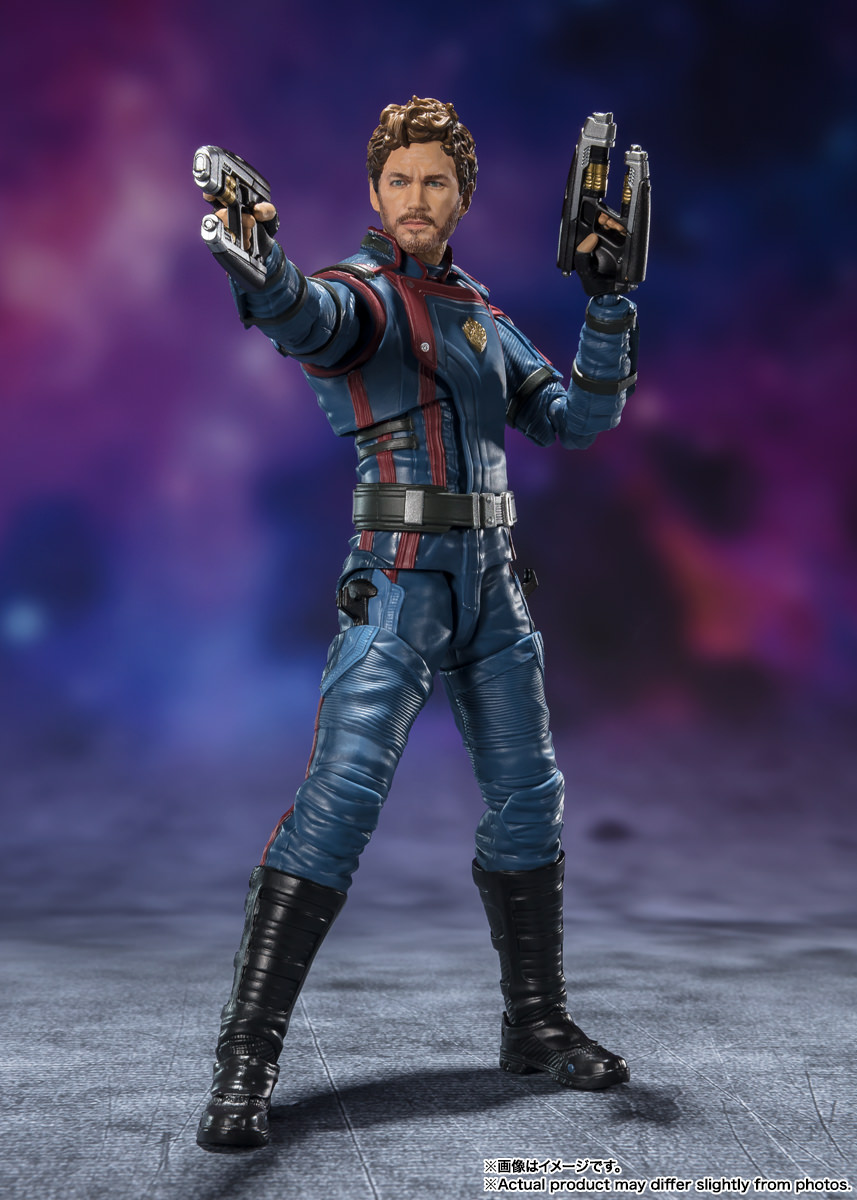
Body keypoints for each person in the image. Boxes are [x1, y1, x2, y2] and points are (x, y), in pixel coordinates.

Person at [196, 96, 638, 1151]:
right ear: (373, 190)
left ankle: (534, 1023)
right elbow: (310, 318)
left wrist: (608, 307)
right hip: (396, 582)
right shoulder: (364, 296)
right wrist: (263, 274)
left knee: (529, 800)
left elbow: (574, 420)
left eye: (435, 180)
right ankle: (246, 1058)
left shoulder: (482, 314)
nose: (416, 197)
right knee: (339, 802)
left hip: (492, 587)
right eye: (398, 179)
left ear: (461, 196)